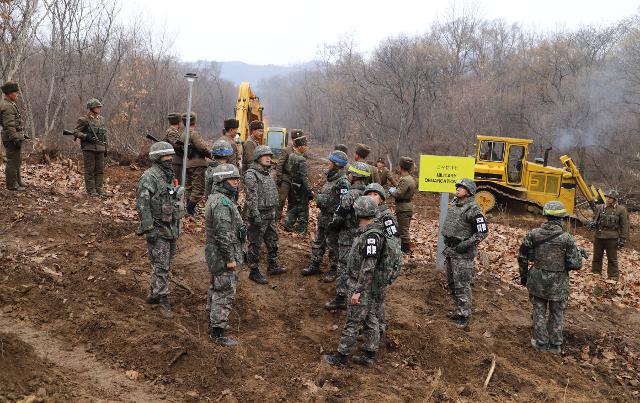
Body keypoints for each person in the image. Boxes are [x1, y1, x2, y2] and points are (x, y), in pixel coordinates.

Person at [323, 196, 395, 367]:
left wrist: (358, 291)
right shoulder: (368, 232)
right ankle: (370, 354)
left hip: (361, 284)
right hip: (364, 284)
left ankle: (341, 357)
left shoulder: (371, 236)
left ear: (359, 212)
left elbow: (368, 267)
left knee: (353, 321)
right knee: (370, 318)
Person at [518, 201, 586, 353]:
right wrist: (578, 255)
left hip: (537, 279)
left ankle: (541, 343)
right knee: (557, 313)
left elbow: (522, 257)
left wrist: (524, 277)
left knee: (538, 311)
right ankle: (555, 345)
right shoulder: (567, 238)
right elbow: (576, 264)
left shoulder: (533, 234)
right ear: (561, 218)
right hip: (558, 282)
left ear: (546, 216)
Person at [136, 142, 184, 316]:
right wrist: (149, 229)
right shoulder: (149, 177)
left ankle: (154, 292)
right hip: (157, 228)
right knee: (161, 265)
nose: (170, 159)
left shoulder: (168, 176)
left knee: (165, 264)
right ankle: (162, 298)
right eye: (166, 156)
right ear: (157, 158)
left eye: (171, 156)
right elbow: (142, 204)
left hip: (170, 227)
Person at [205, 163, 245, 346]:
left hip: (217, 252)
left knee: (216, 286)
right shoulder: (221, 203)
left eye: (237, 179)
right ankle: (218, 333)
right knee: (225, 290)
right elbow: (223, 234)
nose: (236, 182)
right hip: (222, 254)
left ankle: (213, 321)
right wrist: (230, 259)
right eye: (233, 179)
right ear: (222, 180)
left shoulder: (217, 198)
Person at [442, 178, 488, 328]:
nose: (458, 188)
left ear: (469, 192)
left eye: (462, 187)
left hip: (463, 254)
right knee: (453, 284)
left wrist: (465, 244)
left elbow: (482, 232)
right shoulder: (455, 204)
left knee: (462, 285)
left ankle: (464, 316)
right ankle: (459, 310)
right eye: (458, 186)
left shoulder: (474, 210)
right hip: (451, 251)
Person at [325, 161, 371, 310]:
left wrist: (332, 228)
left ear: (355, 176)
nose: (349, 175)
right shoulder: (370, 194)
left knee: (344, 266)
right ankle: (359, 297)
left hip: (347, 237)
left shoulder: (350, 195)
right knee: (360, 267)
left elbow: (339, 217)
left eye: (351, 173)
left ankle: (340, 297)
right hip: (364, 236)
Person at [364, 183, 402, 343]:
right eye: (369, 194)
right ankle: (372, 330)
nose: (371, 197)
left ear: (381, 198)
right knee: (371, 300)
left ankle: (378, 331)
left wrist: (391, 268)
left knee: (376, 301)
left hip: (381, 266)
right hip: (371, 263)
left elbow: (394, 244)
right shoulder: (367, 213)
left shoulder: (386, 217)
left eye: (375, 194)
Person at [302, 150, 350, 278]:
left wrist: (337, 219)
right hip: (323, 217)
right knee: (318, 242)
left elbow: (344, 203)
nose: (328, 163)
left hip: (333, 219)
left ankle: (334, 269)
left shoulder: (342, 182)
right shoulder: (331, 178)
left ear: (336, 164)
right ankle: (315, 265)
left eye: (330, 161)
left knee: (333, 246)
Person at [244, 145, 286, 284]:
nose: (269, 158)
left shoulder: (268, 173)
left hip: (270, 213)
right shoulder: (251, 174)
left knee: (273, 240)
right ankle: (254, 271)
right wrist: (255, 215)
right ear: (257, 158)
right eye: (265, 156)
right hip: (259, 214)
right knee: (255, 243)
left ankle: (272, 265)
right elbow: (251, 197)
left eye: (270, 155)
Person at [589, 190, 629, 280]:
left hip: (612, 238)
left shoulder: (621, 210)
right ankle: (595, 274)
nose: (608, 199)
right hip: (599, 235)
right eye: (607, 197)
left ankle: (613, 277)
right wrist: (592, 223)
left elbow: (624, 225)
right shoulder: (600, 207)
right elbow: (594, 219)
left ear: (615, 199)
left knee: (612, 259)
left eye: (610, 198)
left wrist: (623, 238)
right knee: (597, 257)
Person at [73, 98, 108, 196]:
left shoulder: (101, 119)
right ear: (91, 108)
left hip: (100, 148)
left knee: (100, 170)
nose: (99, 108)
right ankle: (91, 190)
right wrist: (85, 136)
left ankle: (99, 189)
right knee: (90, 170)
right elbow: (75, 132)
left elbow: (104, 135)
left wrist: (106, 148)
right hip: (89, 148)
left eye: (99, 107)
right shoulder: (84, 119)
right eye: (97, 107)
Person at [180, 112, 210, 216]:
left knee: (189, 188)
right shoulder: (193, 133)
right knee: (198, 188)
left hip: (187, 163)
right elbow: (202, 147)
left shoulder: (183, 134)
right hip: (197, 164)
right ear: (194, 121)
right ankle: (189, 210)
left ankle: (189, 211)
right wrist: (211, 155)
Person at [0, 81, 28, 191]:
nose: (17, 94)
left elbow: (14, 124)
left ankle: (18, 181)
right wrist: (15, 137)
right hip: (10, 138)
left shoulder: (10, 104)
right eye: (15, 92)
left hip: (12, 136)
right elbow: (9, 125)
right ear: (9, 93)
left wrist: (20, 135)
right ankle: (12, 185)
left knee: (17, 160)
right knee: (12, 161)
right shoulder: (7, 106)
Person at [283, 135, 313, 233]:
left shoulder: (291, 156)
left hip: (293, 184)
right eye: (305, 145)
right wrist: (309, 191)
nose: (307, 147)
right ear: (300, 147)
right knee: (303, 208)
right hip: (301, 187)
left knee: (293, 205)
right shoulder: (302, 160)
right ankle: (301, 229)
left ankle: (288, 223)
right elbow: (304, 177)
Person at [389, 157, 417, 253]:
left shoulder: (405, 180)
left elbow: (399, 194)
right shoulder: (410, 179)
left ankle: (405, 251)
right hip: (406, 207)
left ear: (401, 167)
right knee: (403, 229)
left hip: (403, 208)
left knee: (403, 231)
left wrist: (392, 191)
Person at [276, 129, 304, 220]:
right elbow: (280, 164)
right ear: (292, 139)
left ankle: (289, 222)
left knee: (293, 202)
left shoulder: (302, 151)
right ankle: (276, 219)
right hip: (286, 179)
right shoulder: (286, 150)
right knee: (281, 200)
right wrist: (279, 176)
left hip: (295, 181)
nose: (297, 140)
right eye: (295, 138)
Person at [163, 112, 183, 180]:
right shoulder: (172, 132)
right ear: (178, 122)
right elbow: (176, 145)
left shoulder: (172, 131)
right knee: (175, 182)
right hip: (175, 161)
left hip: (175, 160)